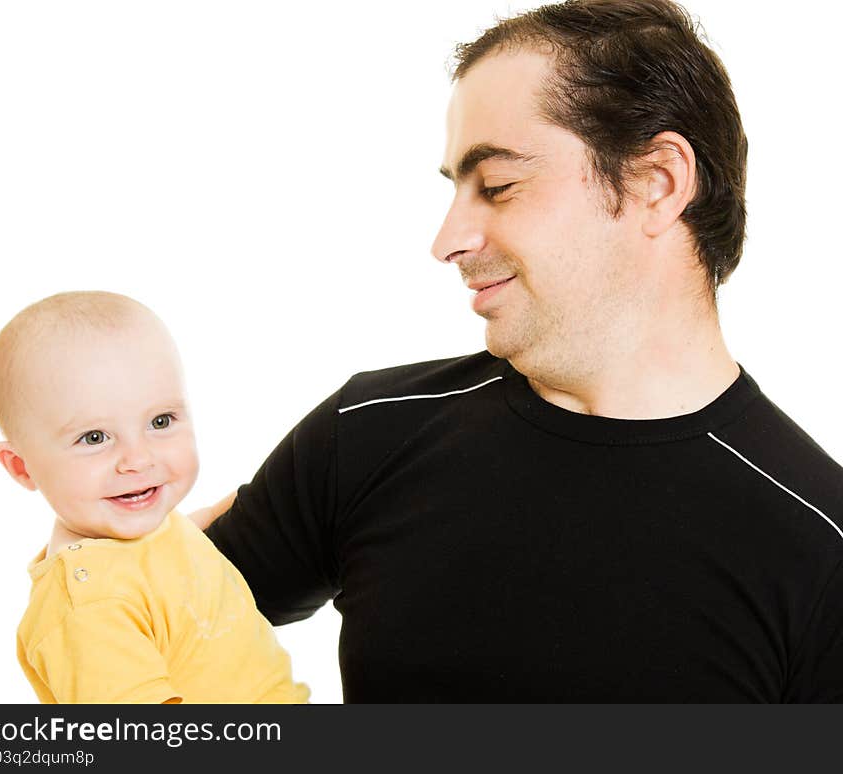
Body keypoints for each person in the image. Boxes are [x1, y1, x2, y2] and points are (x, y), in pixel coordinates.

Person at [199, 0, 843, 701]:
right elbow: (117, 637)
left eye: (498, 186)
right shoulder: (365, 435)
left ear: (656, 182)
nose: (447, 241)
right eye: (458, 191)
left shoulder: (821, 549)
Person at [0, 291, 309, 704]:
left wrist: (272, 494)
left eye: (161, 421)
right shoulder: (87, 609)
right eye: (94, 437)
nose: (137, 460)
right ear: (21, 466)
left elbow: (174, 549)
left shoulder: (144, 528)